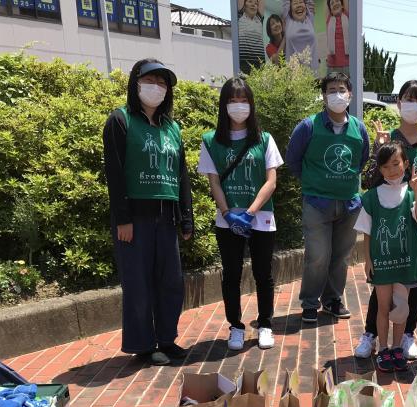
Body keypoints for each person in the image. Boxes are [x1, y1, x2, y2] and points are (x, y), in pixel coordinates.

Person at [102, 59, 193, 366]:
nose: (157, 87)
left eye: (163, 82)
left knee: (171, 281)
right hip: (135, 218)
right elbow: (114, 172)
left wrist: (186, 217)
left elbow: (181, 175)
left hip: (166, 217)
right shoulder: (121, 120)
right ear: (136, 83)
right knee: (138, 283)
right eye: (151, 79)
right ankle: (143, 345)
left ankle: (166, 339)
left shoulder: (172, 127)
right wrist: (123, 218)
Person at [355, 80, 417, 361]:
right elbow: (370, 181)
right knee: (382, 277)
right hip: (385, 221)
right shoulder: (387, 137)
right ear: (399, 102)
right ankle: (371, 334)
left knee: (413, 279)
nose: (414, 105)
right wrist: (376, 150)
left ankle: (406, 335)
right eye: (409, 98)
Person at [198, 78, 283, 351]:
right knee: (231, 273)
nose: (238, 106)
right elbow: (214, 183)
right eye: (232, 100)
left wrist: (249, 212)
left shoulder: (264, 139)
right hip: (227, 220)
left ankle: (265, 325)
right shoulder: (211, 141)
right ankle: (235, 326)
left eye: (243, 100)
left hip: (260, 218)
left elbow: (271, 181)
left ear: (251, 104)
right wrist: (227, 213)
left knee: (263, 273)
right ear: (223, 105)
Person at [285, 71, 370, 323]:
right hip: (316, 203)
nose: (337, 95)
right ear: (323, 95)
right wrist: (313, 182)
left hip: (349, 203)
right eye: (331, 90)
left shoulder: (359, 128)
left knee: (342, 256)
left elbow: (361, 160)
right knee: (318, 255)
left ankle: (332, 300)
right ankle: (310, 302)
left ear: (350, 94)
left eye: (342, 89)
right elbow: (293, 160)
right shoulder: (308, 126)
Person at [354, 143, 417, 372]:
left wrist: (416, 191)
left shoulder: (413, 193)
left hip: (405, 262)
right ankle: (384, 348)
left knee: (402, 308)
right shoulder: (372, 197)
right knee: (383, 307)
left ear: (406, 163)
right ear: (380, 170)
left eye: (396, 164)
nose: (392, 170)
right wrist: (368, 259)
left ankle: (398, 347)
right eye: (386, 166)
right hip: (383, 263)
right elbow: (367, 232)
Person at [283, 0, 318, 74]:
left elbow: (310, 2)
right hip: (294, 74)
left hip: (312, 73)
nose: (299, 5)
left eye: (301, 2)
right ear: (290, 8)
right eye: (295, 3)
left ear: (305, 6)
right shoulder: (288, 20)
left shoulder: (310, 18)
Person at [238, 0, 265, 74]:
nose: (253, 4)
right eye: (250, 1)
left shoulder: (259, 19)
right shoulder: (239, 17)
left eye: (256, 3)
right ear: (244, 5)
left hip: (260, 66)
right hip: (243, 65)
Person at [326, 0, 349, 75]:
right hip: (332, 64)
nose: (335, 3)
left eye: (337, 1)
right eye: (332, 3)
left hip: (348, 63)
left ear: (342, 5)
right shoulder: (329, 18)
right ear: (330, 10)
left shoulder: (347, 15)